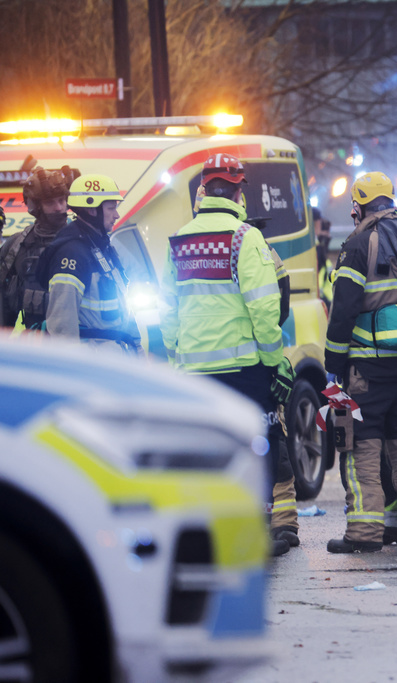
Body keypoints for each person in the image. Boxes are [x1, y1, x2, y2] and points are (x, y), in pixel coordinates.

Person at [160, 154, 297, 557]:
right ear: (239, 192)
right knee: (262, 443)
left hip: (194, 369)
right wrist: (276, 363)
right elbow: (263, 307)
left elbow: (168, 310)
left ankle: (212, 531)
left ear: (202, 191)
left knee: (207, 450)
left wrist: (176, 354)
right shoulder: (245, 237)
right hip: (245, 369)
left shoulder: (180, 240)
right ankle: (255, 529)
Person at [324, 172, 397, 553]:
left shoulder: (359, 244)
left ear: (358, 205)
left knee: (361, 454)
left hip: (366, 371)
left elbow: (343, 309)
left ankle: (363, 534)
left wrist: (334, 362)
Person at [37, 174, 140, 351]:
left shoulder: (102, 247)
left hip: (117, 357)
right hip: (94, 363)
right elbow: (62, 327)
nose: (116, 215)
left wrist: (137, 349)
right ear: (92, 210)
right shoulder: (71, 254)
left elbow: (123, 307)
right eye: (111, 208)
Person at [0, 166, 76, 330]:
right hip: (36, 344)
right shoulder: (16, 246)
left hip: (78, 343)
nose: (58, 208)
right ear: (35, 206)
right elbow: (3, 303)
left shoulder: (83, 241)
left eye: (62, 200)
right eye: (50, 202)